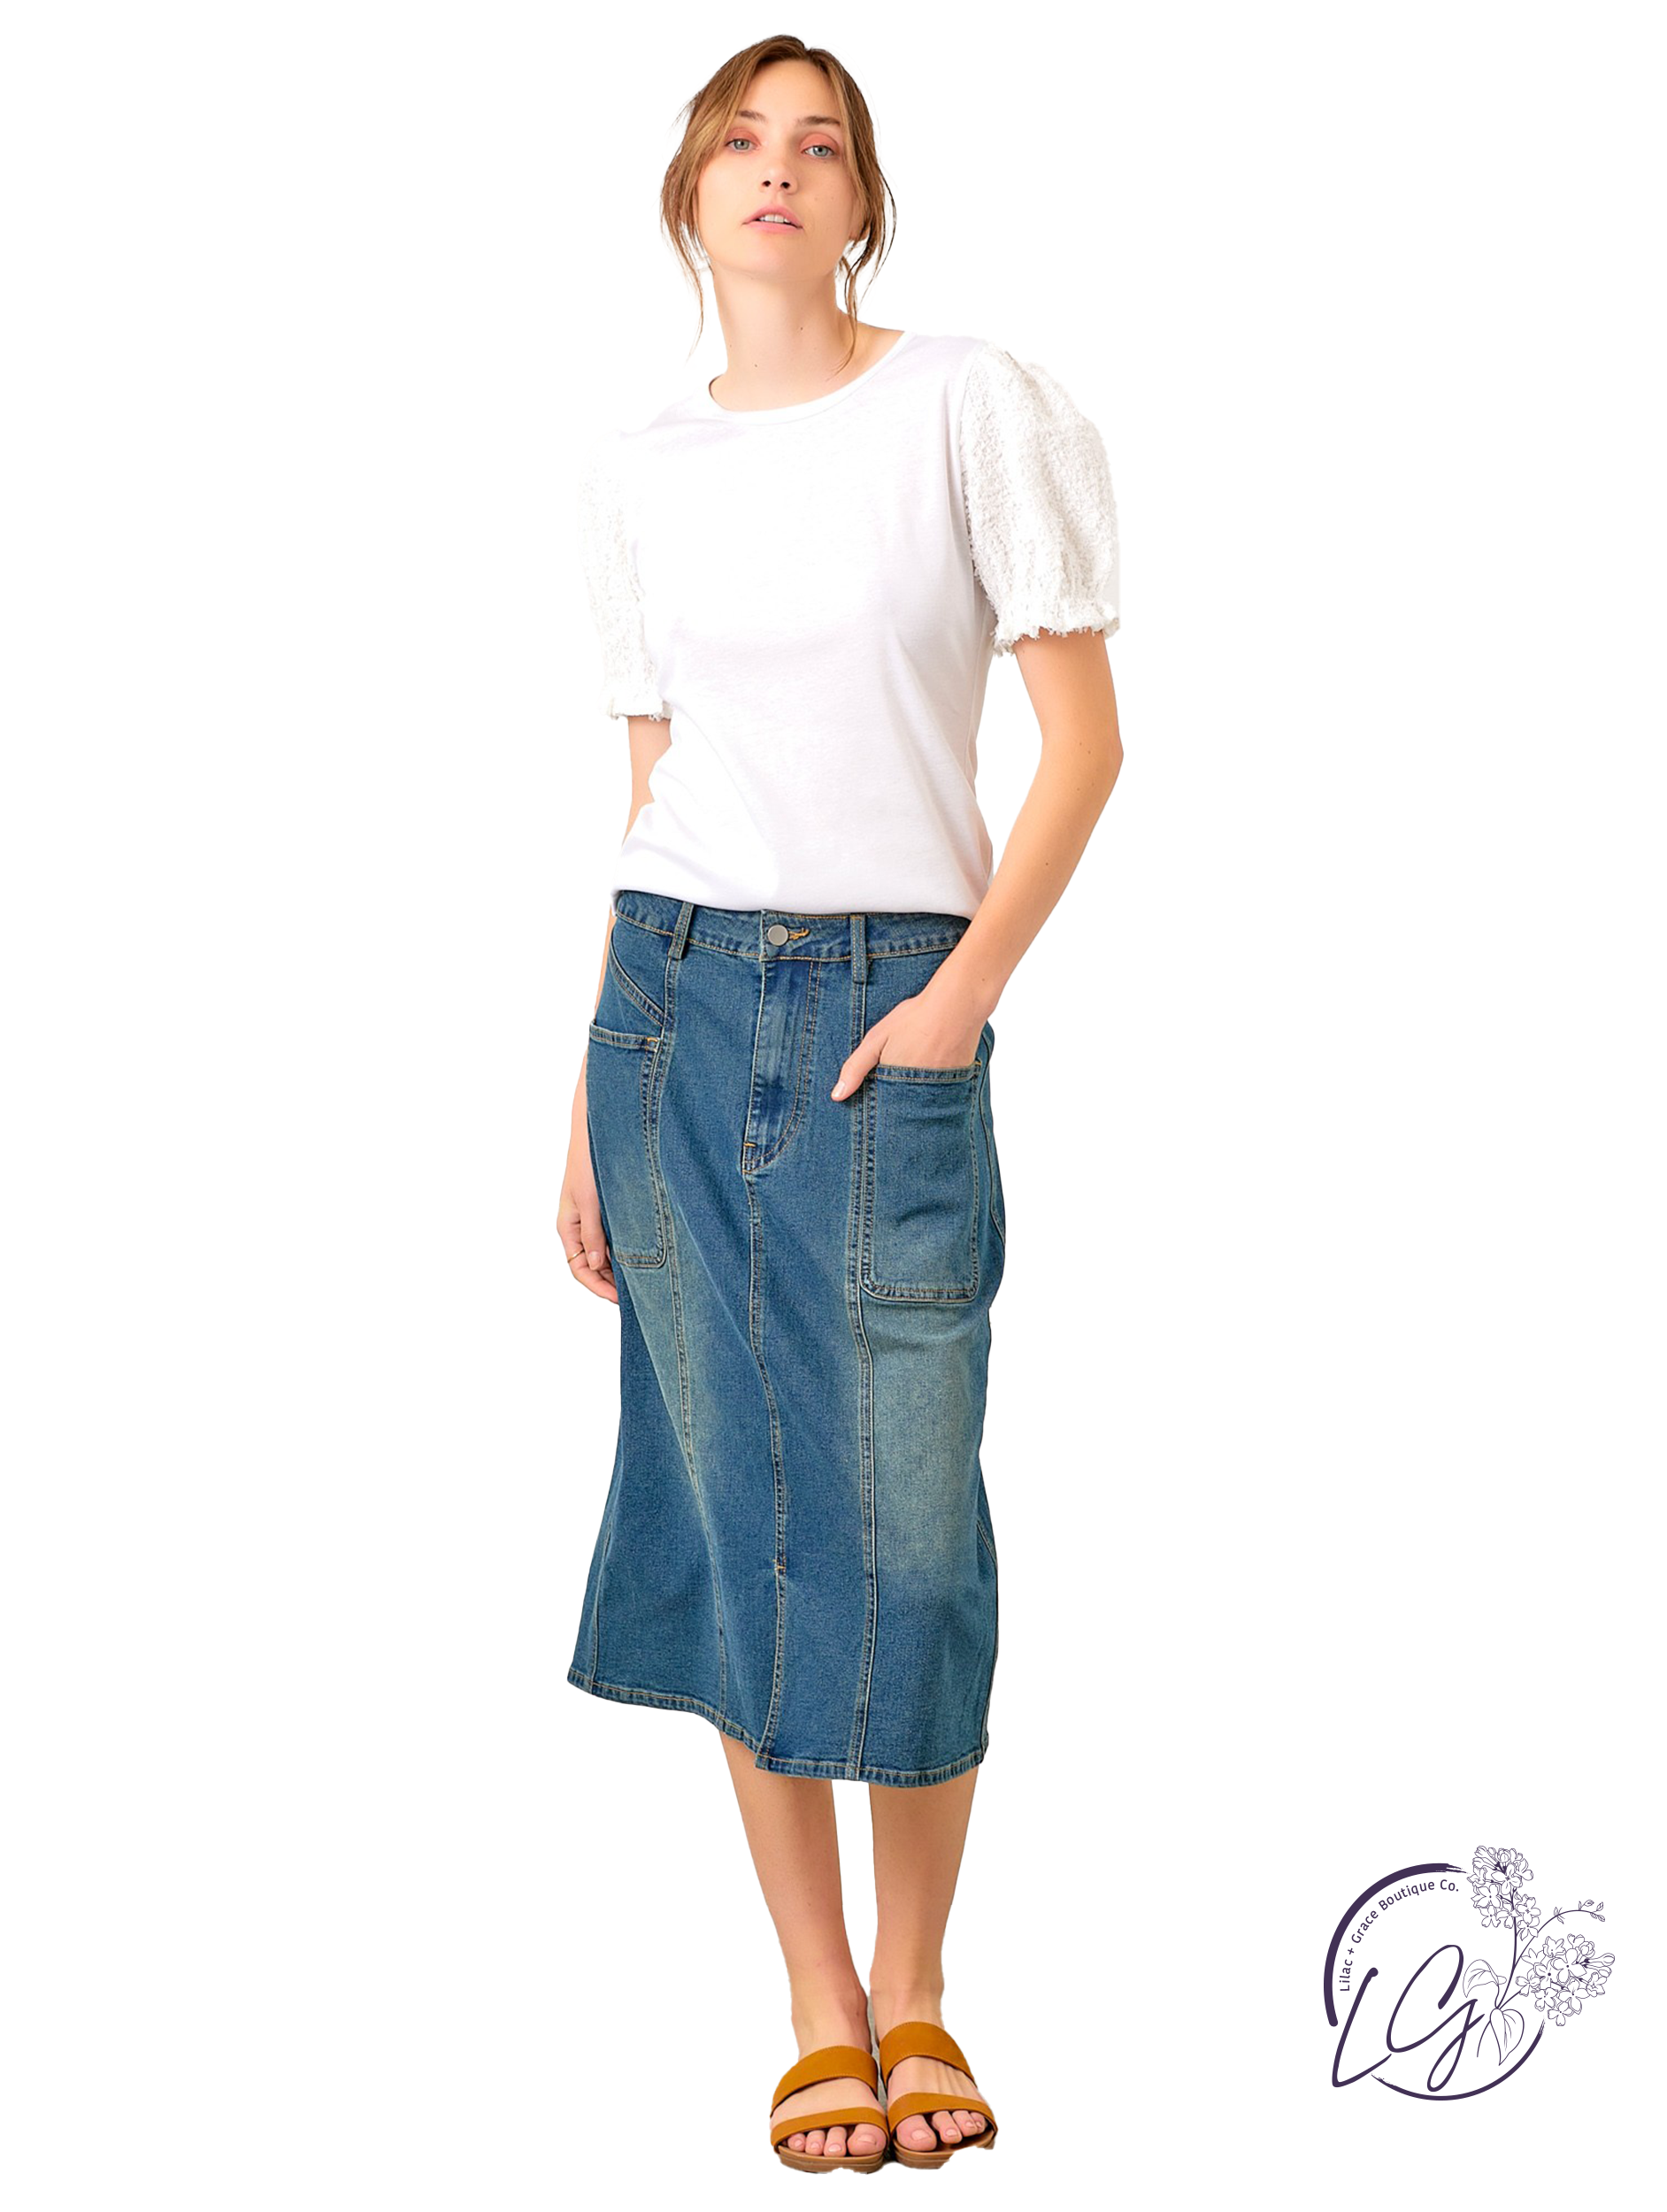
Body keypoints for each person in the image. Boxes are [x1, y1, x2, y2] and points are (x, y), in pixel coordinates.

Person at [560, 35, 1122, 2173]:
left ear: (864, 202)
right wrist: (584, 1090)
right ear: (689, 192)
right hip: (672, 1005)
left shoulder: (968, 403)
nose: (776, 170)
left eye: (819, 146)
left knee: (905, 1515)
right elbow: (655, 789)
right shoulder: (639, 467)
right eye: (740, 140)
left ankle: (920, 1980)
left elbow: (1085, 743)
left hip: (897, 1003)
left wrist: (963, 999)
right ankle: (815, 1997)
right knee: (733, 1508)